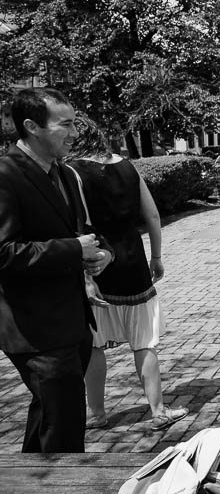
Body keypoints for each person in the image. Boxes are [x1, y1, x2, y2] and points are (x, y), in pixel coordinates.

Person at [0, 88, 113, 452]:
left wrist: (102, 254)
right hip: (35, 331)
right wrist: (72, 249)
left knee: (50, 417)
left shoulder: (63, 174)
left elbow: (85, 233)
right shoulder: (5, 175)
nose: (75, 133)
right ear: (32, 126)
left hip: (71, 323)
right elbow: (4, 253)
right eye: (65, 125)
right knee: (64, 429)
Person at [67, 116, 189, 432]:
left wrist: (83, 275)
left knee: (94, 345)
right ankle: (158, 410)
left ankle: (96, 414)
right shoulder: (128, 167)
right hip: (133, 259)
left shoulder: (72, 173)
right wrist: (157, 257)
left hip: (96, 260)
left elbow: (76, 223)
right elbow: (151, 214)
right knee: (144, 342)